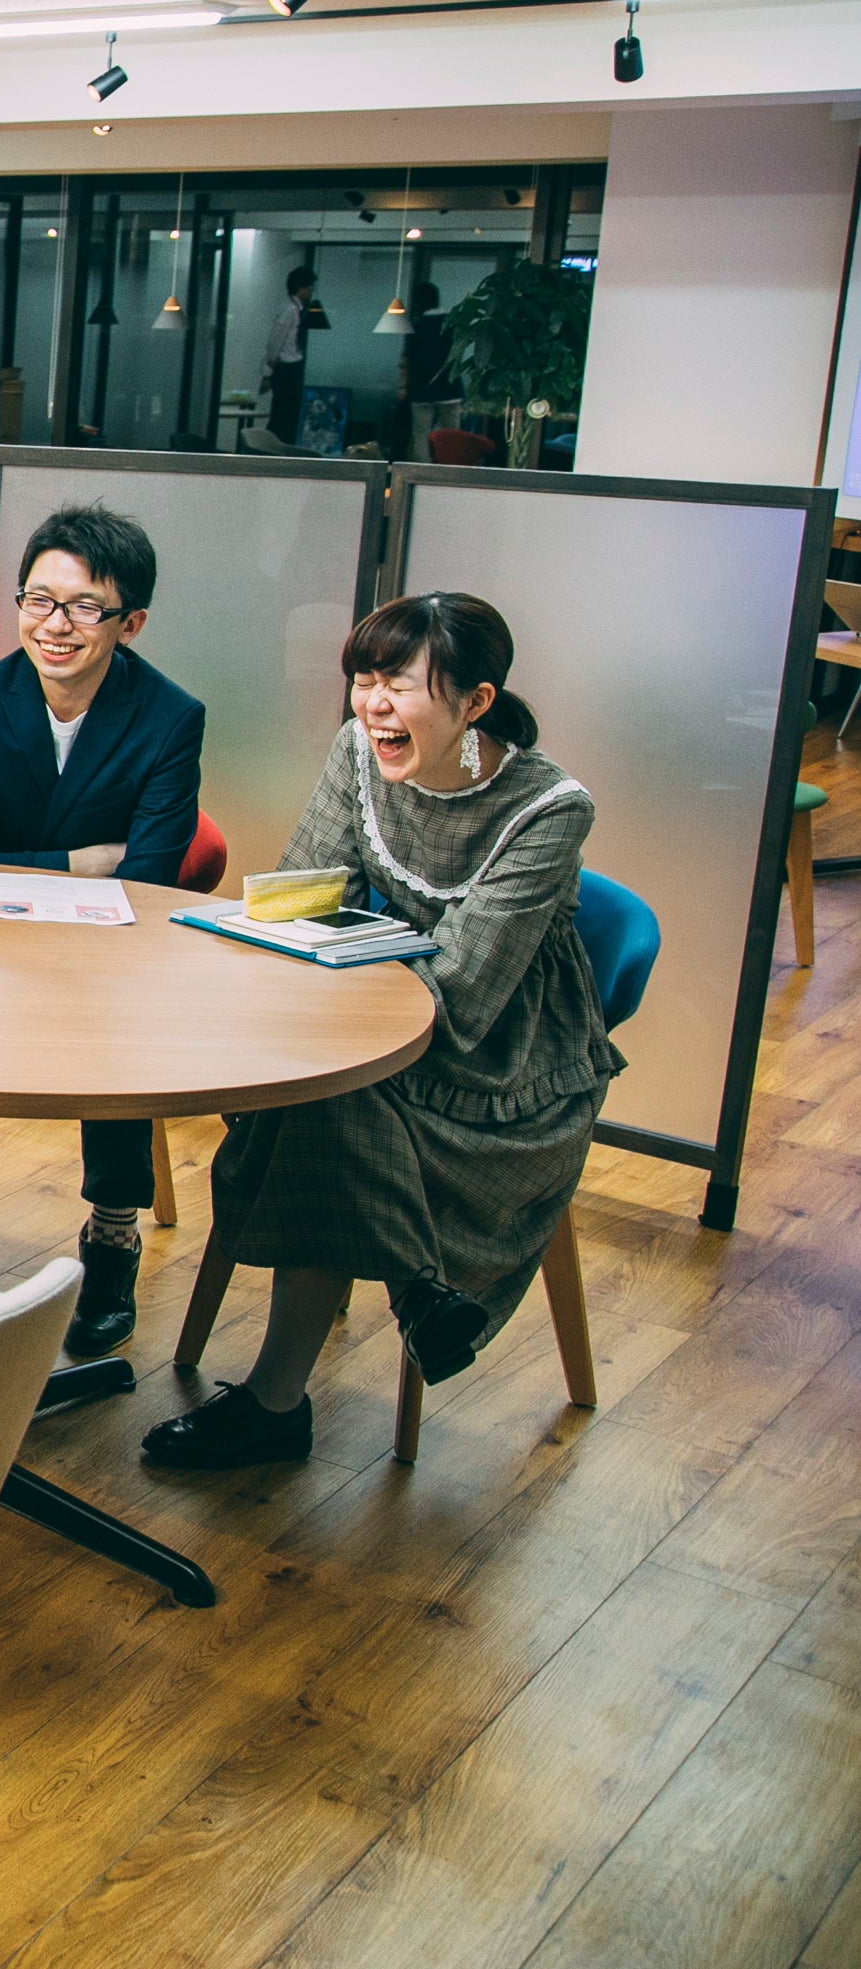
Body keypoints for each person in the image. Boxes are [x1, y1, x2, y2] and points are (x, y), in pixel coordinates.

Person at [146, 592, 618, 1468]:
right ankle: (418, 1293)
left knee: (322, 1099)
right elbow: (301, 886)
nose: (371, 704)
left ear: (475, 701)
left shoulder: (550, 806)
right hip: (379, 1004)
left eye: (398, 684)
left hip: (504, 1063)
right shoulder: (356, 749)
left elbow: (466, 991)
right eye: (363, 680)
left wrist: (333, 1004)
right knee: (322, 1087)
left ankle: (276, 1402)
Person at [0, 503, 205, 1356]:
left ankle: (112, 1232)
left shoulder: (169, 715)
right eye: (37, 601)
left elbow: (148, 881)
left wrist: (8, 859)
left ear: (128, 622)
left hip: (103, 952)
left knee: (114, 1012)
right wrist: (80, 861)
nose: (54, 625)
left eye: (83, 607)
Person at [259, 263, 318, 453]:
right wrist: (268, 373)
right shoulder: (289, 310)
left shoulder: (298, 309)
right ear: (301, 288)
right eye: (310, 287)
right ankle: (271, 452)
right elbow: (275, 342)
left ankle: (281, 451)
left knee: (289, 416)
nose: (311, 291)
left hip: (292, 367)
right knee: (282, 416)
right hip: (286, 369)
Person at [400, 279, 458, 455]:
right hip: (449, 387)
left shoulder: (416, 327)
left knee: (421, 434)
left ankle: (421, 467)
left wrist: (403, 387)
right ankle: (449, 466)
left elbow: (407, 359)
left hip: (422, 388)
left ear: (418, 303)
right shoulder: (452, 324)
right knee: (452, 435)